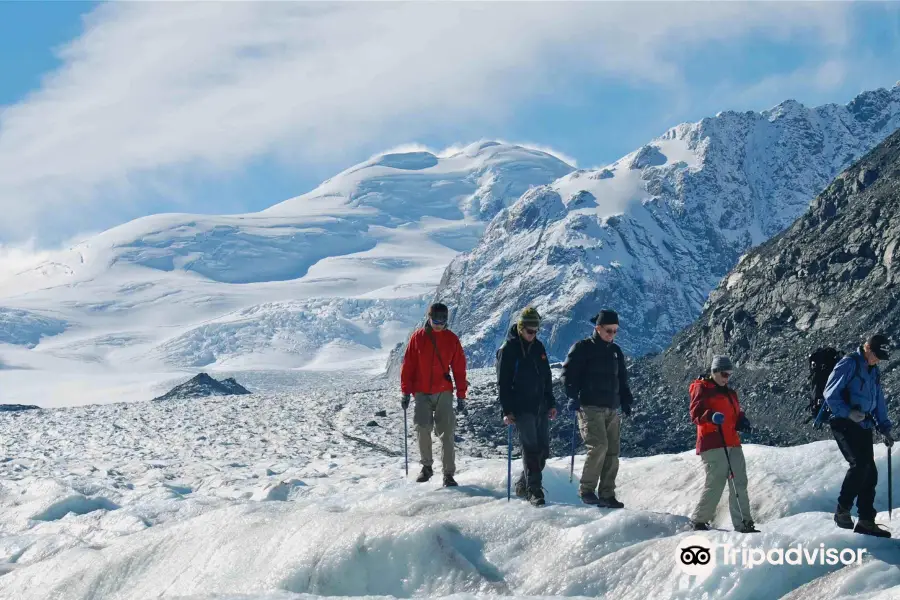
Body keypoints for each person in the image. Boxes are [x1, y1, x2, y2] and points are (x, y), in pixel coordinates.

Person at [561, 309, 634, 507]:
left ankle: (607, 494)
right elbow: (567, 375)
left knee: (612, 451)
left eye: (615, 331)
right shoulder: (582, 348)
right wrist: (572, 396)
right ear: (598, 328)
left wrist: (626, 400)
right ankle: (586, 490)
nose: (612, 335)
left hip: (611, 408)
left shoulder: (616, 352)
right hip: (589, 406)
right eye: (609, 331)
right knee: (599, 446)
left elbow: (622, 379)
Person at [824, 334, 894, 538]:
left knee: (870, 471)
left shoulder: (873, 370)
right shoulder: (849, 364)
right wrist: (848, 413)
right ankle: (842, 511)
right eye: (877, 355)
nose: (878, 360)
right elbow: (830, 394)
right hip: (843, 421)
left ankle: (866, 521)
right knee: (860, 464)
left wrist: (885, 427)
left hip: (863, 423)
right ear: (868, 349)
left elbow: (878, 400)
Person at [400, 302, 468, 487]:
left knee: (447, 433)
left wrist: (461, 394)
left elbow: (459, 368)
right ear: (429, 318)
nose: (439, 324)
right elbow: (408, 366)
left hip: (444, 392)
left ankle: (448, 474)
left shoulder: (451, 339)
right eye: (435, 319)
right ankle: (427, 467)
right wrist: (406, 391)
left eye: (443, 320)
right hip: (421, 392)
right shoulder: (418, 338)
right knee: (422, 428)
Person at [688, 355, 758, 533]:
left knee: (739, 482)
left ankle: (744, 524)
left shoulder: (730, 392)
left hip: (732, 442)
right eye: (724, 374)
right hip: (713, 442)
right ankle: (699, 520)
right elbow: (695, 414)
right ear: (714, 372)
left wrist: (741, 421)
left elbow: (735, 413)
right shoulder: (702, 388)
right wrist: (711, 416)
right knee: (716, 482)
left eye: (729, 374)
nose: (727, 378)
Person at [497, 307, 558, 506]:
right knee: (530, 448)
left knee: (544, 451)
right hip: (522, 408)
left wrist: (551, 402)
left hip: (540, 406)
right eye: (530, 331)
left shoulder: (539, 347)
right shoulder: (509, 349)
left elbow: (546, 377)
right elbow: (503, 383)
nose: (533, 334)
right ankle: (535, 491)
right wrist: (507, 410)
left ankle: (524, 483)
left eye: (536, 331)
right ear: (521, 328)